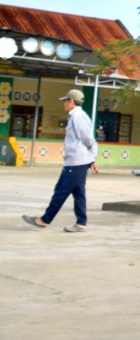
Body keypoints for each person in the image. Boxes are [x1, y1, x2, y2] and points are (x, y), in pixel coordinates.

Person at [23, 89, 96, 233]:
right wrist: (91, 158)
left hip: (76, 162)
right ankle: (81, 223)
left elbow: (87, 138)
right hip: (79, 161)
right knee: (78, 192)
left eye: (65, 101)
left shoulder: (77, 116)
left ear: (71, 101)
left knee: (61, 190)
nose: (64, 104)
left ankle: (45, 220)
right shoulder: (76, 115)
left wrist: (92, 155)